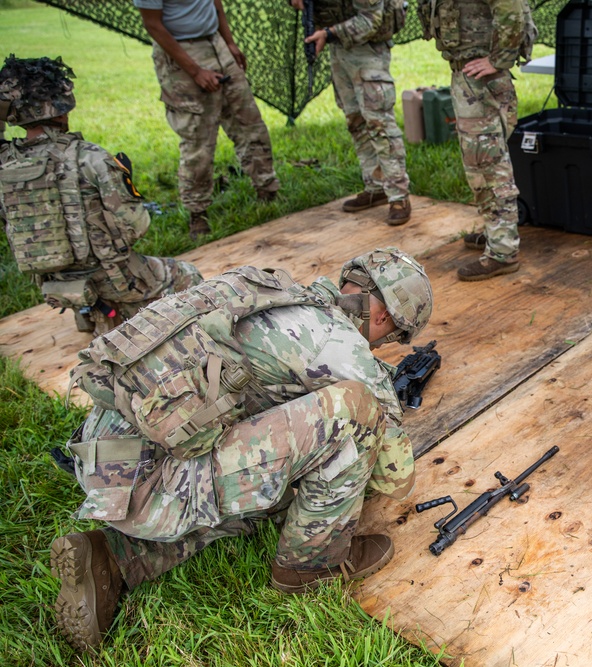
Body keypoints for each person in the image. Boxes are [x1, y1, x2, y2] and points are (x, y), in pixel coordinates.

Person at [48, 247, 433, 652]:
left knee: (281, 459)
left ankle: (114, 557)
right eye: (390, 339)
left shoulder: (267, 290)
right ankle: (310, 567)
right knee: (355, 416)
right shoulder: (338, 341)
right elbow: (395, 478)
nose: (381, 345)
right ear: (385, 317)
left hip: (104, 460)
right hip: (150, 481)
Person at [0, 55, 203, 335]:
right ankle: (135, 318)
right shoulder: (88, 157)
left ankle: (95, 312)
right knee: (188, 275)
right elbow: (138, 225)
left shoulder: (5, 166)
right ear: (62, 104)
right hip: (116, 279)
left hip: (54, 285)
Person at [135, 0, 280, 239]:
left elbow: (216, 3)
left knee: (249, 121)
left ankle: (267, 189)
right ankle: (198, 213)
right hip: (182, 52)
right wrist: (195, 71)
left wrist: (229, 43)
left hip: (215, 42)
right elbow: (152, 24)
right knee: (198, 138)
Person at [417, 0, 536, 281]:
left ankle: (503, 252)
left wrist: (499, 59)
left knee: (488, 164)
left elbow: (511, 7)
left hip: (482, 79)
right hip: (469, 77)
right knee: (480, 164)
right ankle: (498, 234)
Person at [294, 0, 413, 226]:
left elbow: (370, 20)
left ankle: (398, 195)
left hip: (368, 49)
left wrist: (329, 33)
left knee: (379, 122)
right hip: (338, 48)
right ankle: (375, 186)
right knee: (355, 120)